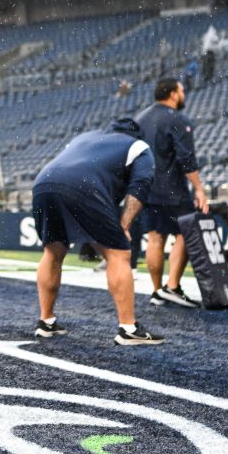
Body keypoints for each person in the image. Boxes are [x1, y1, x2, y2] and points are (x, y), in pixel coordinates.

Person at [31, 118, 163, 345]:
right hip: (83, 185)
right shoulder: (138, 147)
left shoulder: (85, 137)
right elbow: (140, 187)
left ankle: (46, 322)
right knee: (119, 253)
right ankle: (128, 328)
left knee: (53, 252)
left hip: (43, 182)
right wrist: (124, 225)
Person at [134, 78, 207, 308]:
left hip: (147, 187)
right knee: (185, 233)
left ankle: (157, 291)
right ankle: (172, 286)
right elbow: (186, 159)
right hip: (173, 189)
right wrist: (199, 189)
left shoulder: (140, 119)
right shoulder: (177, 119)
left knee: (155, 237)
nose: (183, 94)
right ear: (173, 94)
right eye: (182, 90)